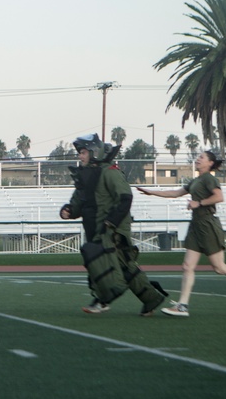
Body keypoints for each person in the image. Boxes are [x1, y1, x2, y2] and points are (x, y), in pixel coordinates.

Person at [137, 151, 226, 317]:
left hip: (207, 225)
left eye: (202, 157)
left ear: (210, 163)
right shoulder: (196, 180)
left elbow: (219, 197)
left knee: (219, 268)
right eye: (198, 157)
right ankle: (182, 306)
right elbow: (176, 193)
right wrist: (152, 192)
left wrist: (199, 203)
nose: (198, 159)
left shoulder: (209, 179)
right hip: (196, 225)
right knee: (187, 266)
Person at [60, 133, 166, 315]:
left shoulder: (110, 172)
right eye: (80, 153)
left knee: (101, 262)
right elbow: (78, 203)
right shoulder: (85, 176)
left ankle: (102, 300)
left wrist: (111, 223)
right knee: (123, 266)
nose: (80, 156)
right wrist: (68, 210)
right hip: (96, 228)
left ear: (94, 152)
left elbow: (125, 198)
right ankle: (151, 299)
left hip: (112, 229)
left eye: (83, 152)